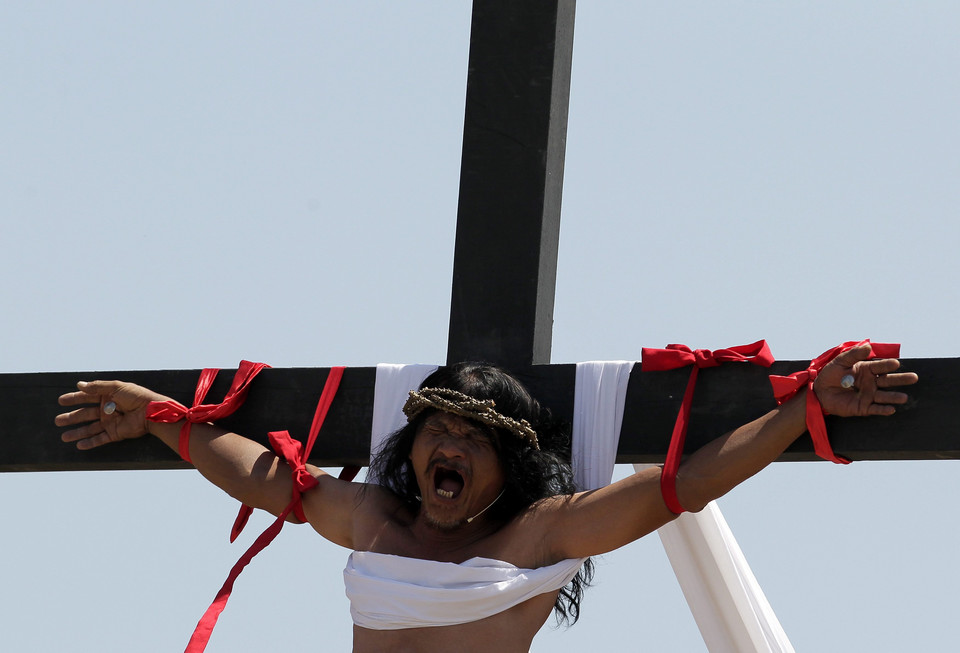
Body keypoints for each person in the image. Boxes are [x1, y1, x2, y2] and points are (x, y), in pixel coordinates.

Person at [55, 345, 917, 653]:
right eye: (437, 429)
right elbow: (264, 477)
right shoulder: (376, 518)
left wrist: (797, 409)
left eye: (475, 440)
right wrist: (161, 419)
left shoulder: (544, 534)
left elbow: (681, 487)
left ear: (511, 468)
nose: (450, 447)